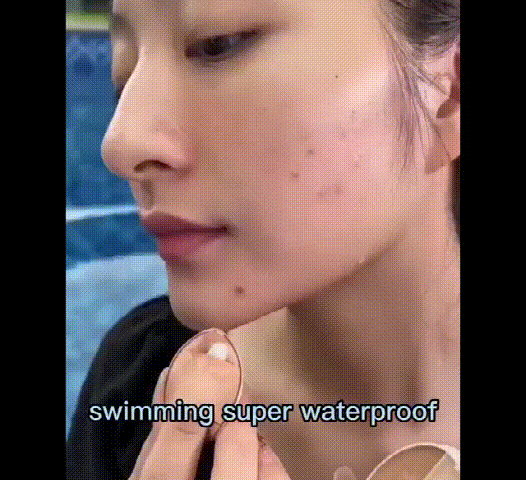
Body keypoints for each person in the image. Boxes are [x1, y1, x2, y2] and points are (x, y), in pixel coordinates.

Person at [66, 0, 460, 478]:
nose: (121, 143)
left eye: (218, 44)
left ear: (450, 95)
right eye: (124, 72)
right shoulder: (135, 385)